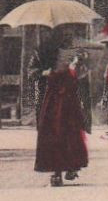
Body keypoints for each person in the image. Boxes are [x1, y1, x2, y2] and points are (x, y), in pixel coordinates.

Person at [33, 38, 89, 187]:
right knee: (62, 133)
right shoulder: (48, 54)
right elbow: (78, 77)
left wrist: (77, 64)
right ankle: (62, 170)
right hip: (59, 101)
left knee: (63, 133)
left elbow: (79, 77)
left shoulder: (71, 57)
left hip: (60, 101)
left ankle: (66, 169)